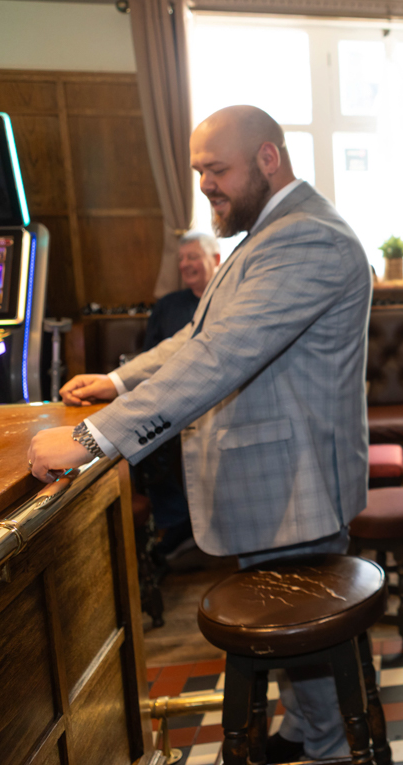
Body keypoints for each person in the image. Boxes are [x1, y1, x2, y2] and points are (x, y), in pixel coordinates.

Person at [27, 105, 373, 763]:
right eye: (198, 172)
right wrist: (120, 381)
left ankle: (330, 748)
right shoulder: (271, 229)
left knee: (305, 635)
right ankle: (307, 731)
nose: (206, 185)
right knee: (288, 627)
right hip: (275, 481)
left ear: (268, 158)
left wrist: (95, 438)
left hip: (296, 484)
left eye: (217, 169)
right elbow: (199, 335)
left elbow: (222, 356)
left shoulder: (308, 238)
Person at [135, 230, 221, 560]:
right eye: (181, 258)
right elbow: (150, 359)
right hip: (172, 398)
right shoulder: (167, 306)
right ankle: (176, 520)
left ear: (215, 259)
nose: (185, 264)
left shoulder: (229, 301)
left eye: (192, 257)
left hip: (218, 399)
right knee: (144, 436)